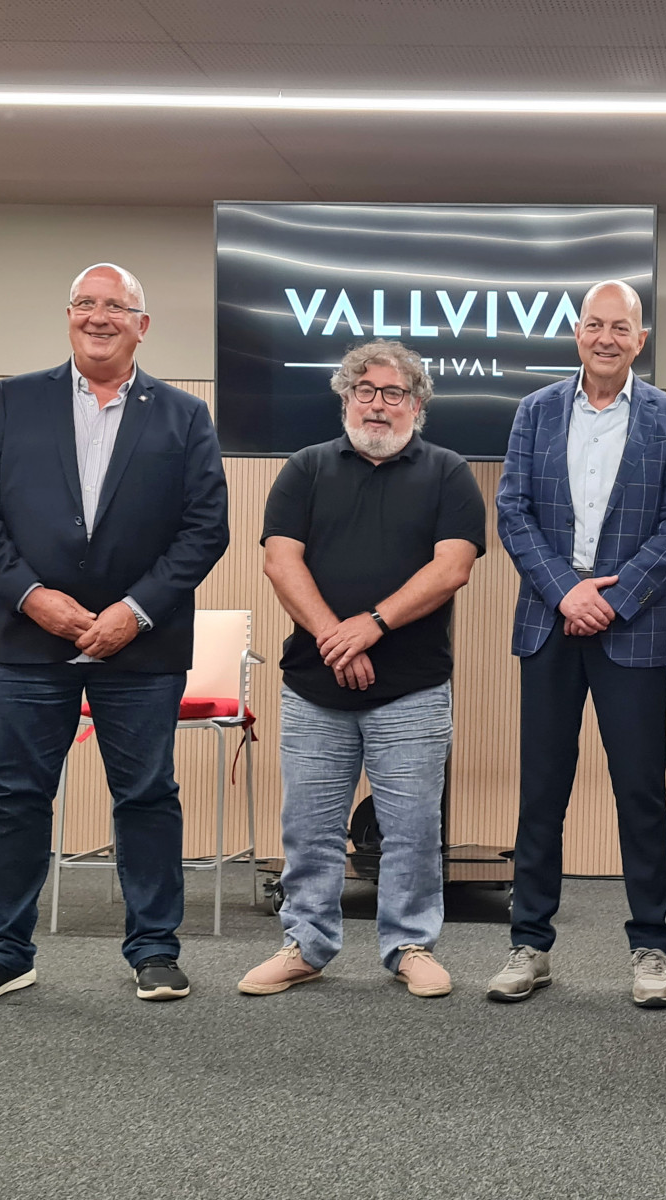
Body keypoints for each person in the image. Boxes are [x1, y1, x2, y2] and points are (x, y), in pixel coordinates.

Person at [0, 263, 229, 1007]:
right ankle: (2, 952)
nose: (98, 317)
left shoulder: (184, 415)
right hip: (24, 638)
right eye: (85, 304)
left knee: (147, 796)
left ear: (142, 325)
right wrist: (31, 597)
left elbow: (206, 528)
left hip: (142, 644)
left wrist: (137, 610)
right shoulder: (15, 400)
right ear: (69, 315)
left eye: (116, 306)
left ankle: (155, 950)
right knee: (13, 794)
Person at [237, 341, 485, 999]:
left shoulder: (449, 472)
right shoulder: (305, 468)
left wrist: (370, 625)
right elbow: (280, 561)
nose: (378, 405)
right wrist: (335, 639)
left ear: (417, 405)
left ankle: (410, 946)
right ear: (346, 399)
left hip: (413, 689)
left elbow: (452, 568)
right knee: (310, 831)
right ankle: (306, 945)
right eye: (365, 391)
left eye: (393, 392)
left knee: (412, 832)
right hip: (314, 686)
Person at [488, 280, 666, 1007]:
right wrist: (567, 592)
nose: (606, 337)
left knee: (640, 792)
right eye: (594, 325)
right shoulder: (535, 411)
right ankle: (530, 944)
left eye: (620, 327)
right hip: (550, 621)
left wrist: (611, 598)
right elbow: (513, 511)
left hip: (633, 628)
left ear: (640, 340)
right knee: (542, 790)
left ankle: (651, 948)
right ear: (577, 333)